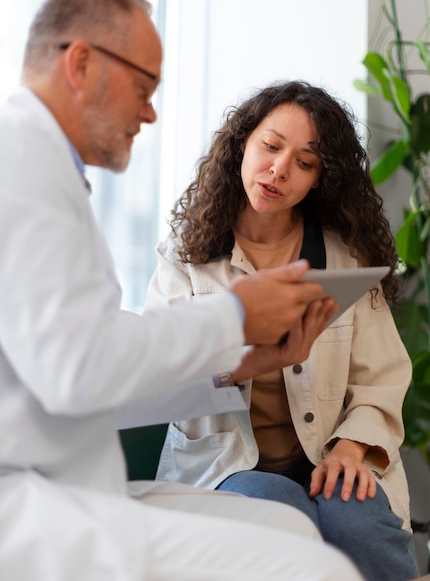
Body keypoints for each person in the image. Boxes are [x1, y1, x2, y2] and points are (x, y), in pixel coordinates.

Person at [0, 0, 366, 581]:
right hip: (31, 498)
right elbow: (77, 372)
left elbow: (86, 373)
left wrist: (237, 364)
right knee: (316, 570)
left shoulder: (43, 170)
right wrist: (234, 315)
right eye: (143, 86)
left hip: (68, 478)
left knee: (291, 527)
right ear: (82, 63)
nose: (149, 111)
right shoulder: (21, 168)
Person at [145, 81, 420, 581]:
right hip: (227, 467)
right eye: (271, 146)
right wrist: (250, 357)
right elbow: (160, 380)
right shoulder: (183, 258)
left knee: (357, 524)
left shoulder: (346, 258)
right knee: (280, 513)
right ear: (242, 144)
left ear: (319, 179)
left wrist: (351, 448)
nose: (279, 170)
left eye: (305, 162)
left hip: (326, 452)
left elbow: (382, 378)